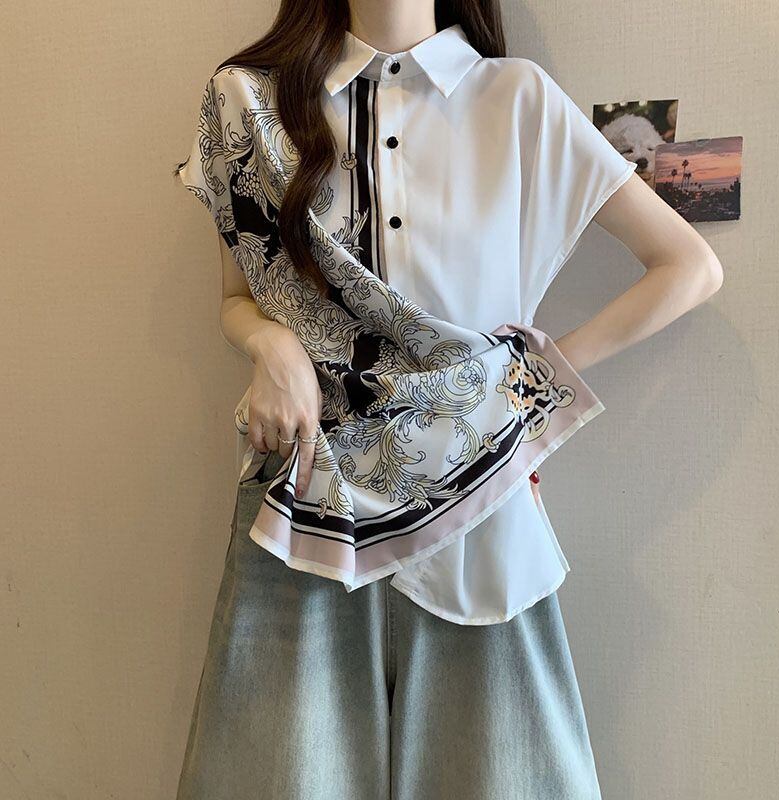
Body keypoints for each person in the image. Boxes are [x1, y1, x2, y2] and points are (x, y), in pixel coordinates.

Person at [172, 3, 723, 798]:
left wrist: (519, 395)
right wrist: (272, 347)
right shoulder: (252, 103)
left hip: (477, 505)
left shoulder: (517, 97)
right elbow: (237, 298)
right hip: (305, 495)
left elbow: (687, 266)